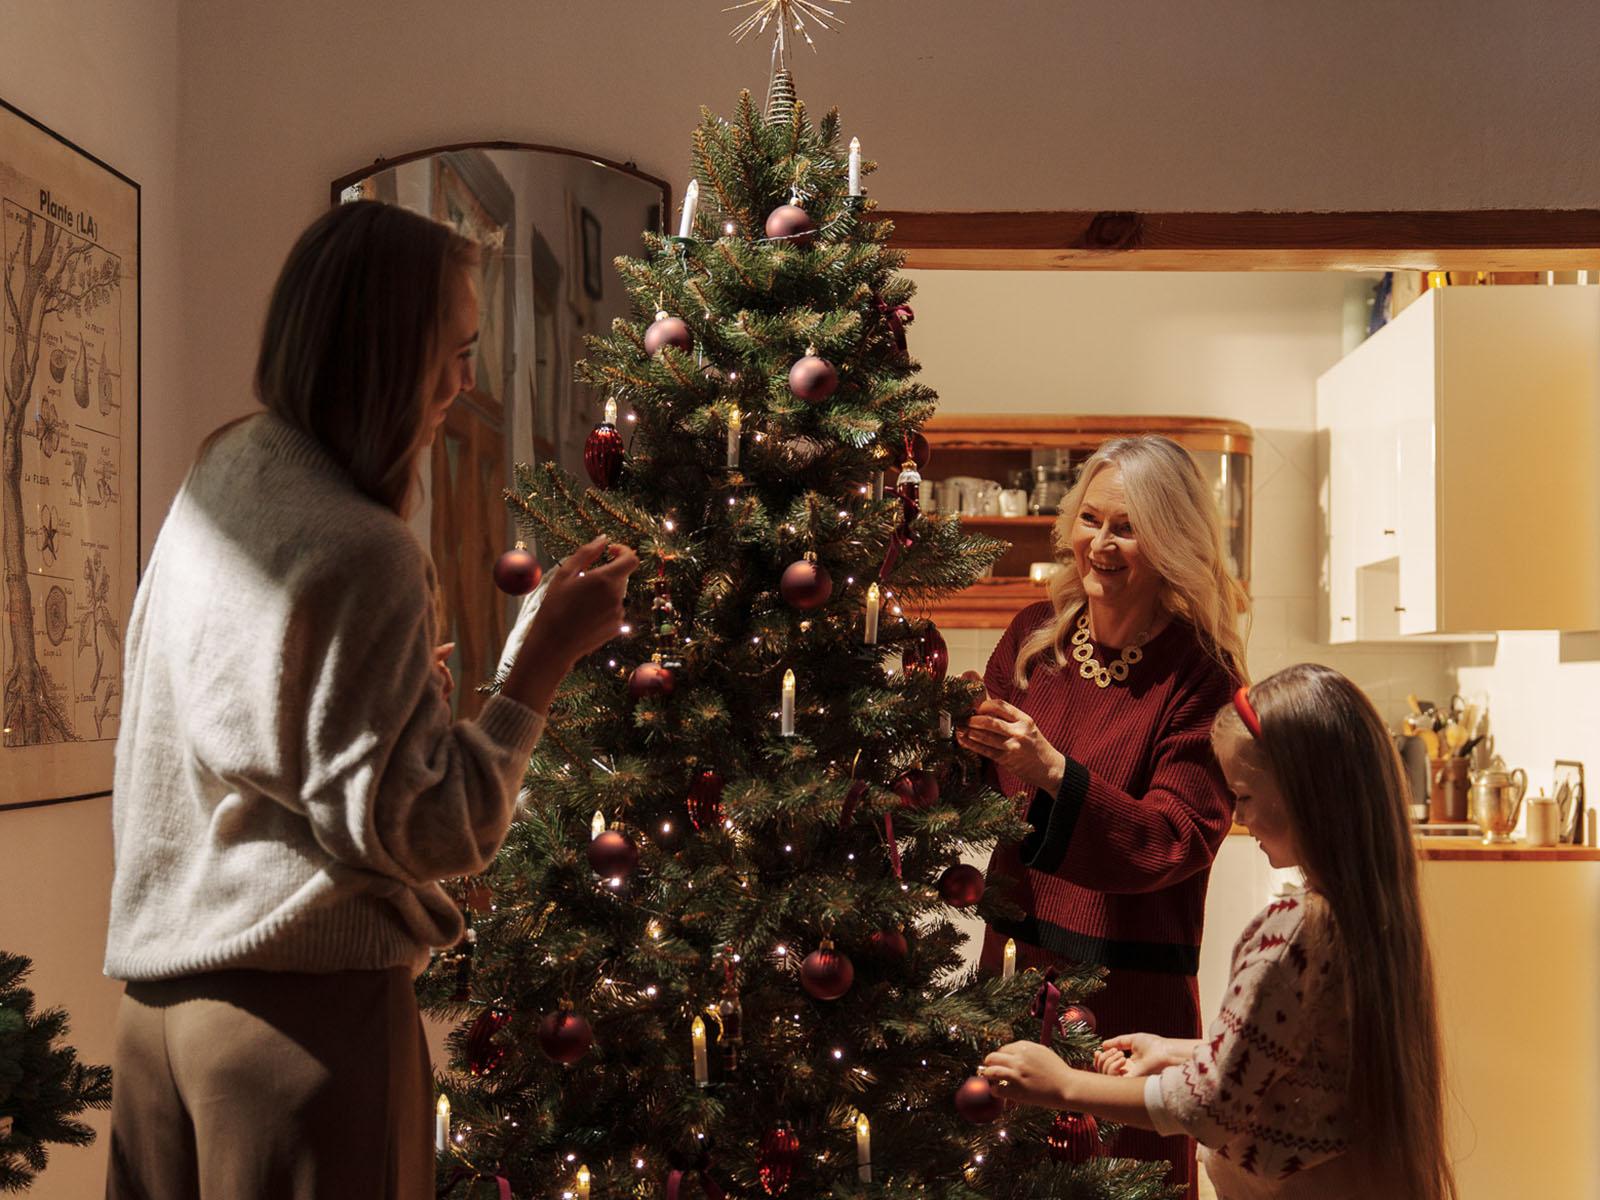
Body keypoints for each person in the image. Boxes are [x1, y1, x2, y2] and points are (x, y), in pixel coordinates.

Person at [103, 200, 639, 1200]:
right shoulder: (366, 547)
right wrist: (539, 662)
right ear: (390, 352)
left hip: (156, 1021)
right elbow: (431, 831)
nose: (466, 383)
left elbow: (238, 707)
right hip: (296, 1035)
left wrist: (396, 705)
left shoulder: (227, 469)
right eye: (457, 349)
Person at [980, 664, 1457, 1200]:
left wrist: (1063, 1086)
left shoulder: (1293, 935)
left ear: (1306, 794)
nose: (1240, 819)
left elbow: (1209, 1107)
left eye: (1245, 797)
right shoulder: (1366, 918)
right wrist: (1181, 1052)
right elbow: (1293, 1057)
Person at [955, 434, 1248, 1193]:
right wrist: (963, 744)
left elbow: (1173, 839)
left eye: (1129, 528)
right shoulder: (1032, 638)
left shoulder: (1201, 676)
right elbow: (989, 792)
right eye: (1091, 520)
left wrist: (1051, 768)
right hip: (1015, 974)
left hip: (1129, 1006)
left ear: (1174, 543)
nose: (1101, 545)